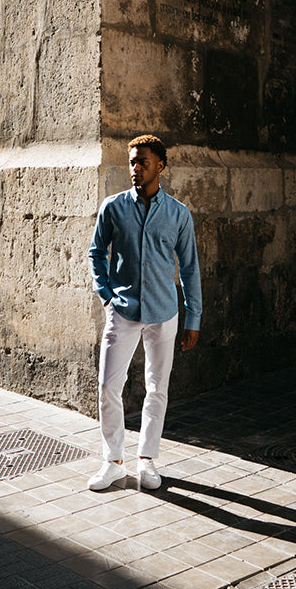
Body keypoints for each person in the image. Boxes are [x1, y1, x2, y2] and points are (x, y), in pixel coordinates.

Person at [87, 134, 203, 491]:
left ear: (160, 166)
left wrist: (193, 317)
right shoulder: (113, 207)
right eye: (132, 162)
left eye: (143, 163)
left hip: (164, 313)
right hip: (122, 310)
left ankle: (148, 460)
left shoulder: (178, 214)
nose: (135, 169)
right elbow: (96, 253)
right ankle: (113, 461)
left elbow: (189, 268)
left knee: (157, 388)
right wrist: (106, 294)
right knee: (108, 385)